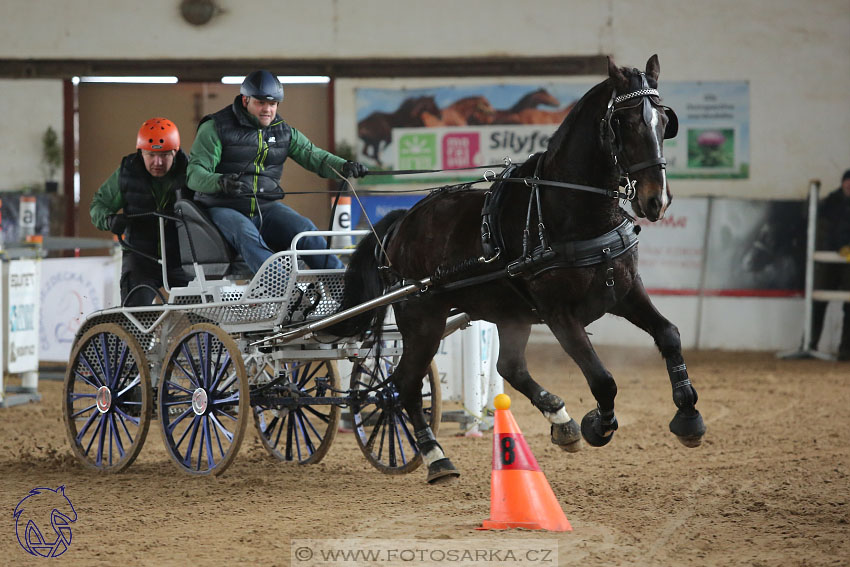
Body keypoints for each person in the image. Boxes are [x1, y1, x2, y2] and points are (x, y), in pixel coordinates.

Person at [186, 70, 368, 273]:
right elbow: (194, 174)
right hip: (223, 207)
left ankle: (344, 287)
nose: (267, 110)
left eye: (272, 104)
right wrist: (220, 182)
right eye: (261, 103)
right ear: (245, 100)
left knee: (305, 230)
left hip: (265, 208)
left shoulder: (283, 132)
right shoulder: (216, 127)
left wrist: (344, 166)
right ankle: (279, 287)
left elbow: (315, 156)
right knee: (246, 233)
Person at [90, 117, 190, 306]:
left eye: (165, 155)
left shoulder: (191, 172)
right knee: (135, 318)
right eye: (150, 155)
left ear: (175, 152)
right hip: (140, 256)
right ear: (140, 152)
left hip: (182, 258)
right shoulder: (126, 172)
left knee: (202, 314)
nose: (157, 162)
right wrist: (109, 220)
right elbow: (98, 205)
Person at [810, 169, 850, 360]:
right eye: (847, 181)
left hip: (846, 260)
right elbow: (822, 229)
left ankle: (846, 350)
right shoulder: (830, 202)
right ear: (843, 183)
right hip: (830, 257)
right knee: (818, 303)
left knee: (849, 306)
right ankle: (810, 344)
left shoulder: (829, 202)